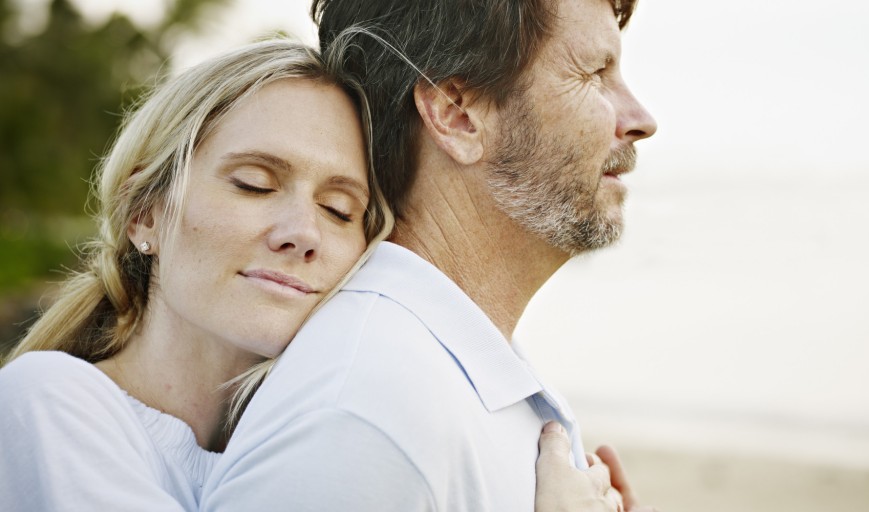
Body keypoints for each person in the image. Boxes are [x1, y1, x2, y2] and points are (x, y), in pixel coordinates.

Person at [0, 38, 627, 512]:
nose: (302, 232)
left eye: (339, 209)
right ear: (145, 214)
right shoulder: (51, 403)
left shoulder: (296, 438)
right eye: (254, 184)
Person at [201, 0, 658, 510]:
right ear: (456, 115)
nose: (641, 120)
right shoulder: (362, 415)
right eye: (595, 73)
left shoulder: (438, 371)